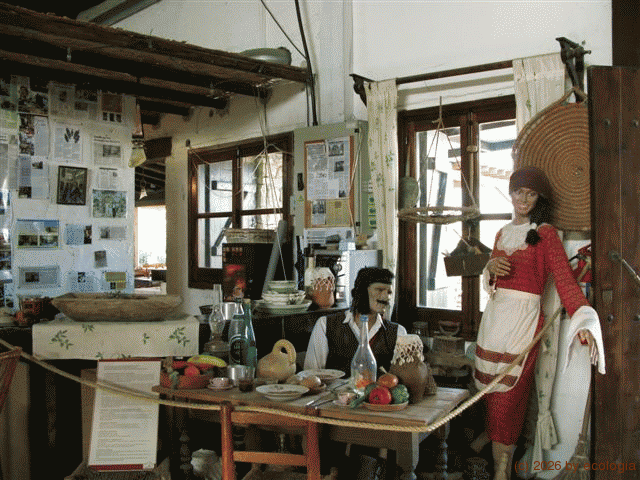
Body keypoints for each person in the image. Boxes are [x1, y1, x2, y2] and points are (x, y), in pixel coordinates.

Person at [474, 166, 603, 480]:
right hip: (494, 321)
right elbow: (493, 282)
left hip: (524, 324)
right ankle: (495, 456)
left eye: (531, 193)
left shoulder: (546, 234)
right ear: (510, 192)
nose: (524, 199)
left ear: (539, 198)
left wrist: (586, 320)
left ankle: (502, 470)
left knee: (509, 398)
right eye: (519, 191)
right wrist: (490, 268)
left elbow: (565, 281)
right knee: (490, 392)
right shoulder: (501, 234)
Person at [304, 266, 407, 373]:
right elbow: (311, 376)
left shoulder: (398, 333)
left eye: (389, 292)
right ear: (362, 291)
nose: (386, 297)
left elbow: (402, 379)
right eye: (380, 290)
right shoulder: (325, 325)